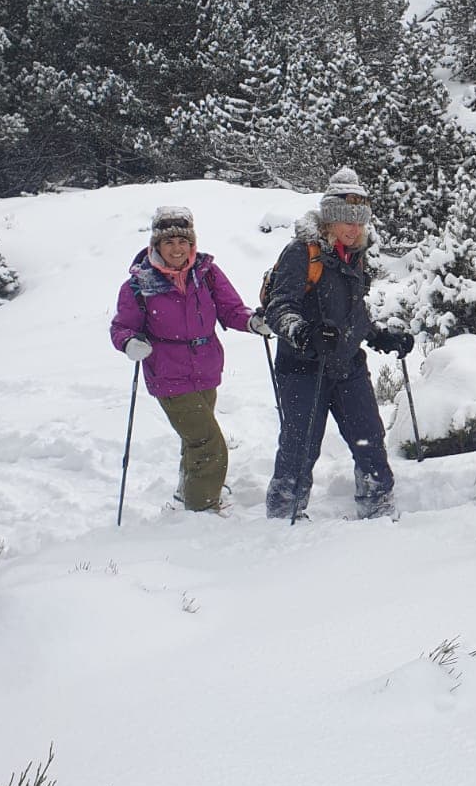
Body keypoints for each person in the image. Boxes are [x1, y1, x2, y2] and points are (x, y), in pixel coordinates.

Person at [263, 168, 413, 521]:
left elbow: (353, 311)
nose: (354, 229)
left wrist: (378, 336)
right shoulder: (302, 254)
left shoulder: (355, 256)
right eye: (346, 221)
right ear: (329, 220)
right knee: (300, 446)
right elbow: (278, 309)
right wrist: (304, 332)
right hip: (302, 368)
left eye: (359, 222)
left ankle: (377, 504)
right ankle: (285, 511)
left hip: (346, 365)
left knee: (369, 438)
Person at [110, 205, 269, 513]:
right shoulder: (140, 283)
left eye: (182, 241)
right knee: (209, 445)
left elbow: (230, 309)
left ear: (192, 243)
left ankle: (188, 491)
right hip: (168, 374)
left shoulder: (206, 274)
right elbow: (122, 327)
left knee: (193, 440)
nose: (177, 248)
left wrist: (252, 322)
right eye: (168, 242)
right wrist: (129, 343)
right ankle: (203, 507)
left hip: (206, 367)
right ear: (155, 245)